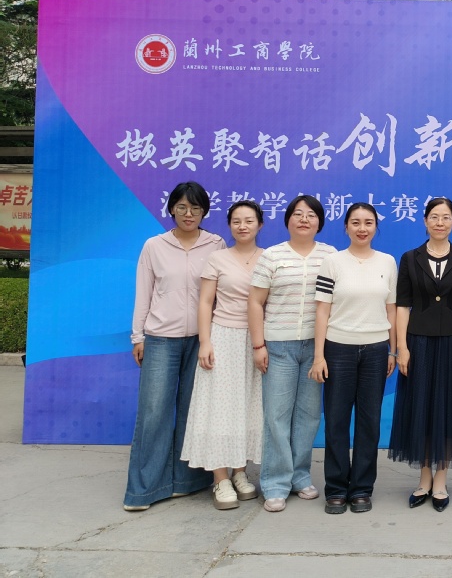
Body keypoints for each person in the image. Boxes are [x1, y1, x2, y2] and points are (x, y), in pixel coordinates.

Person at [123, 181, 225, 511]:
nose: (188, 214)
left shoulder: (216, 244)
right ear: (171, 210)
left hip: (202, 340)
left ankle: (187, 481)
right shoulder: (154, 246)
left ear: (204, 211)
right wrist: (138, 336)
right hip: (161, 339)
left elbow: (221, 294)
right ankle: (144, 489)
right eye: (181, 207)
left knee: (193, 411)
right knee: (154, 412)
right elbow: (143, 293)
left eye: (195, 208)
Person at [387, 198, 452, 512]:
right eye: (434, 217)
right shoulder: (409, 258)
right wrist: (402, 348)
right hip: (419, 343)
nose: (440, 222)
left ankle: (441, 480)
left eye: (446, 217)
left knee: (449, 408)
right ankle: (424, 479)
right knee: (421, 408)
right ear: (425, 221)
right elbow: (402, 306)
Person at [249, 195, 336, 513]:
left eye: (311, 215)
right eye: (297, 214)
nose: (304, 219)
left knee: (308, 416)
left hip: (316, 348)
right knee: (277, 416)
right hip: (279, 346)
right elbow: (255, 302)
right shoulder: (272, 256)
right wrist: (258, 345)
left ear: (319, 222)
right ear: (287, 220)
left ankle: (300, 476)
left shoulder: (330, 256)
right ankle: (274, 482)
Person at [309, 203, 397, 515]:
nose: (362, 228)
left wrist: (392, 350)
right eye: (356, 222)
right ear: (346, 227)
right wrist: (319, 355)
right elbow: (322, 310)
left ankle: (361, 489)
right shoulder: (332, 262)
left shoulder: (388, 262)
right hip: (338, 349)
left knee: (369, 422)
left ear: (376, 227)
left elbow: (391, 308)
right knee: (336, 421)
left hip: (376, 350)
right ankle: (335, 488)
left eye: (368, 223)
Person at [181, 200, 266, 510]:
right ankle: (220, 478)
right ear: (229, 225)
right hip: (223, 337)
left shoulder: (270, 258)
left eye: (249, 220)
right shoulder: (217, 258)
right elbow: (205, 302)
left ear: (260, 224)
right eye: (236, 221)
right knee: (219, 407)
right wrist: (205, 342)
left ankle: (240, 472)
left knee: (246, 406)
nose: (243, 226)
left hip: (256, 341)